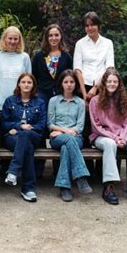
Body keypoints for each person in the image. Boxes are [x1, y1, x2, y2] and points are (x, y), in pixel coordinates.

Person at [89, 68, 127, 205]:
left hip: (122, 135)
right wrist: (115, 138)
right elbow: (96, 127)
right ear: (104, 83)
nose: (112, 84)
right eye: (109, 81)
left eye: (115, 81)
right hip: (101, 136)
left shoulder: (124, 101)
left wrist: (123, 138)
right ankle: (109, 187)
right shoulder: (95, 101)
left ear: (119, 84)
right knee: (110, 144)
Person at [47, 70, 92, 202]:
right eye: (66, 82)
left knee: (67, 147)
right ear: (61, 84)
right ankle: (81, 177)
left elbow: (79, 127)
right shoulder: (53, 101)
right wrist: (64, 131)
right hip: (57, 138)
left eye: (72, 82)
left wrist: (64, 132)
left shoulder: (80, 103)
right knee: (68, 140)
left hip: (75, 137)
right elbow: (50, 124)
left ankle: (64, 187)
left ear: (75, 84)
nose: (69, 85)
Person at [1, 72, 46, 202]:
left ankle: (13, 172)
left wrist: (22, 129)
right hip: (12, 138)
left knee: (26, 136)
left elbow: (41, 125)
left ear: (33, 85)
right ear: (19, 84)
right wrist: (19, 126)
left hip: (33, 136)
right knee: (27, 146)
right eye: (24, 82)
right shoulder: (10, 101)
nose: (26, 85)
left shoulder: (40, 102)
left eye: (29, 82)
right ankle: (28, 189)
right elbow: (3, 123)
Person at [73, 12, 114, 103]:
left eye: (92, 25)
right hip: (84, 86)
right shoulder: (80, 44)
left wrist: (95, 88)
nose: (90, 28)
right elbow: (77, 69)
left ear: (98, 25)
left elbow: (109, 68)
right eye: (87, 26)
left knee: (102, 116)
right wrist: (84, 94)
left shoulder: (108, 43)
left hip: (103, 85)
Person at [0, 26, 32, 108]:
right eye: (10, 38)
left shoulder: (25, 57)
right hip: (0, 103)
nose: (12, 41)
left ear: (19, 40)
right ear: (4, 38)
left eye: (15, 39)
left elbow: (29, 81)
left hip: (19, 103)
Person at [32, 24, 73, 105]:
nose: (53, 38)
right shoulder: (38, 56)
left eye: (56, 35)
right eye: (50, 35)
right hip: (42, 95)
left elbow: (70, 76)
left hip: (61, 95)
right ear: (47, 38)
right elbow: (34, 76)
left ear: (61, 36)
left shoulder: (66, 56)